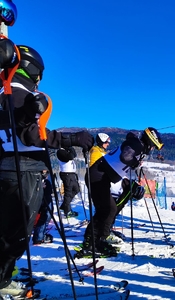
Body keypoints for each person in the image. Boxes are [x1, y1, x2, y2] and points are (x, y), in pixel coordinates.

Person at [0, 44, 94, 298]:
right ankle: (2, 279)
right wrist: (71, 139)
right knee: (17, 232)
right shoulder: (18, 92)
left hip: (8, 167)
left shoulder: (5, 90)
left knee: (8, 228)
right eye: (39, 74)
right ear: (32, 69)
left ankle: (4, 272)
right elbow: (30, 135)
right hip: (23, 170)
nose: (40, 80)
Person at [76, 127, 164, 258]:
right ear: (150, 143)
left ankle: (97, 241)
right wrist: (135, 162)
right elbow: (125, 156)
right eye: (152, 147)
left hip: (102, 176)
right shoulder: (137, 145)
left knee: (108, 210)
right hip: (98, 175)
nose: (151, 150)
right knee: (106, 210)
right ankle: (90, 244)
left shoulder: (136, 144)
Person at [57, 146, 80, 217]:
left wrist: (70, 148)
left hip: (71, 174)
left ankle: (64, 205)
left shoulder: (66, 150)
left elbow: (74, 155)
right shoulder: (60, 151)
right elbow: (70, 157)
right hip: (66, 174)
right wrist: (70, 148)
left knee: (76, 190)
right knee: (68, 193)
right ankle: (67, 211)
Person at [32, 170, 53, 245]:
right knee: (45, 216)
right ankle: (39, 237)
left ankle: (39, 236)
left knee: (46, 215)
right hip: (42, 194)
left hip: (44, 192)